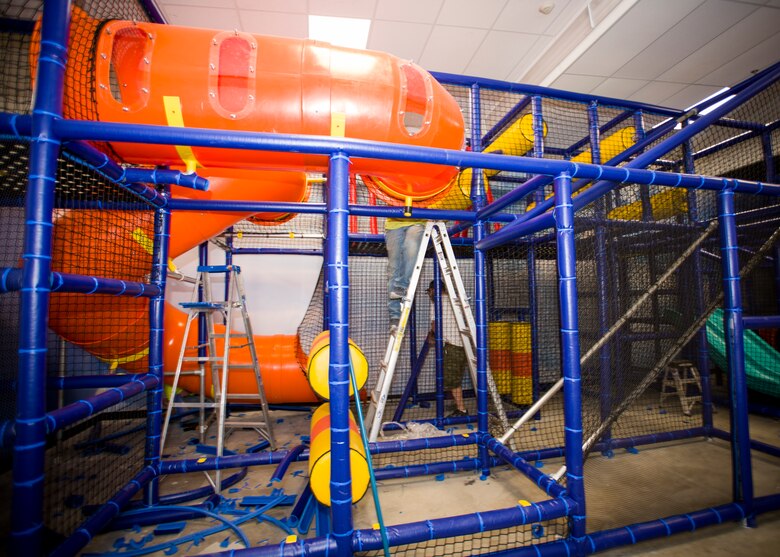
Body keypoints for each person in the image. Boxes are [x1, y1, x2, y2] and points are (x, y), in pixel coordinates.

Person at [428, 280, 468, 417]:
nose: (429, 295)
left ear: (433, 290)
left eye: (429, 291)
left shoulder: (436, 301)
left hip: (452, 346)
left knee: (451, 380)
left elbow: (435, 325)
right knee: (455, 377)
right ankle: (457, 403)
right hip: (464, 344)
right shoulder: (454, 300)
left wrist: (432, 336)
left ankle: (461, 409)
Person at [385, 217, 426, 333]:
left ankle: (401, 285)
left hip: (418, 220)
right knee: (393, 268)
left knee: (411, 251)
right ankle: (395, 317)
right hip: (394, 224)